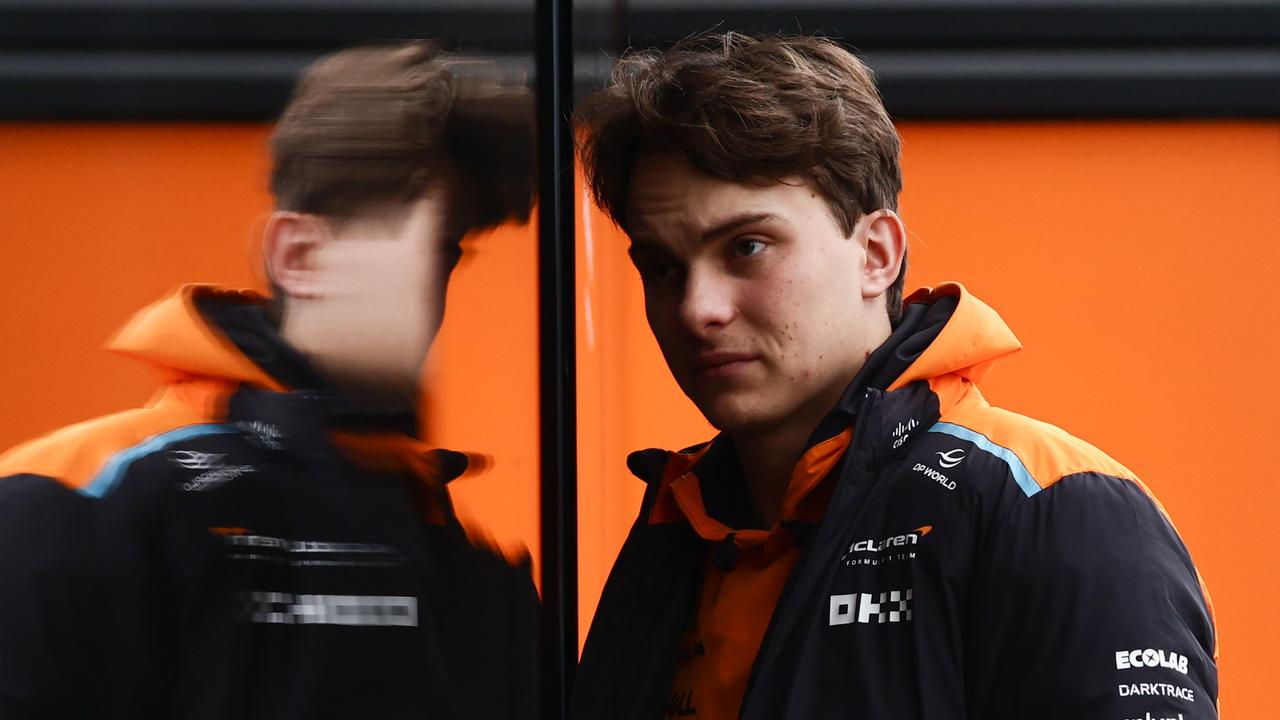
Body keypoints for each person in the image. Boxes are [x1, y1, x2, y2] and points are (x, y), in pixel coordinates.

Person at [571, 33, 1218, 720]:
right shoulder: (678, 524)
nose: (697, 308)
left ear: (876, 253)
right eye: (663, 267)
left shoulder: (1056, 507)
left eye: (747, 247)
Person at [0, 41, 538, 719]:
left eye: (455, 255)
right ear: (300, 255)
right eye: (433, 249)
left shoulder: (461, 563)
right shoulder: (67, 504)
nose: (442, 292)